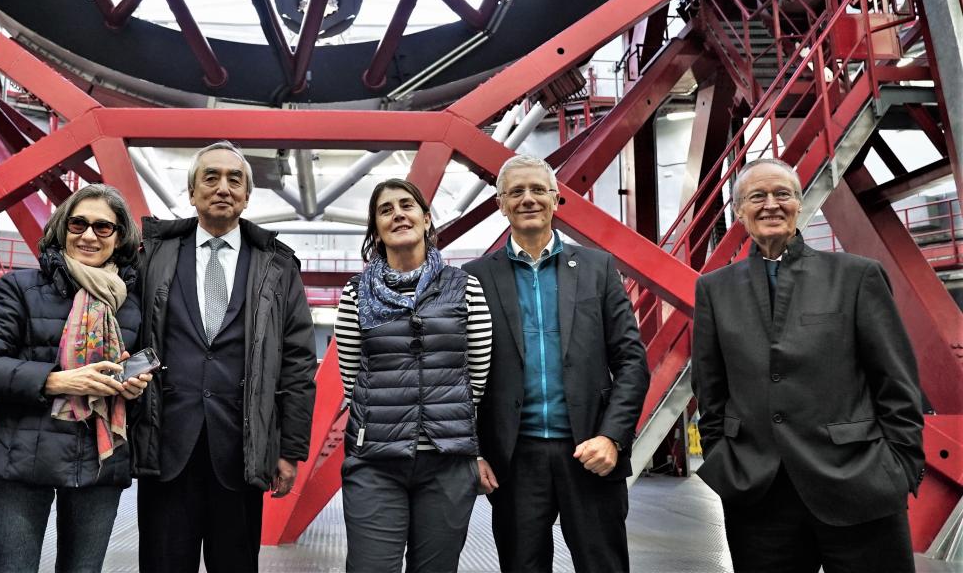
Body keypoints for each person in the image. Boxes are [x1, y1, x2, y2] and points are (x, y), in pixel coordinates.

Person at [692, 157, 924, 573]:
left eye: (783, 194)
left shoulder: (856, 277)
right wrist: (722, 457)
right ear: (740, 211)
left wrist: (901, 465)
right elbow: (710, 390)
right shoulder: (714, 290)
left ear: (800, 204)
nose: (771, 204)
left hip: (859, 483)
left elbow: (895, 380)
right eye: (757, 196)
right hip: (759, 494)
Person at [131, 140, 317, 573]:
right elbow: (129, 334)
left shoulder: (278, 266)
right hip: (166, 448)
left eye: (235, 179)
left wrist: (289, 450)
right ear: (191, 192)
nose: (223, 187)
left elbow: (298, 362)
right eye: (210, 177)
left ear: (248, 195)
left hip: (242, 450)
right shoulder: (152, 256)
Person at [463, 153, 649, 573]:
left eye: (537, 190)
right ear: (501, 203)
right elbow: (459, 373)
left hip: (590, 453)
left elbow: (632, 362)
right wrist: (471, 452)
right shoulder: (474, 277)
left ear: (556, 199)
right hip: (514, 460)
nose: (527, 199)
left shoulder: (599, 269)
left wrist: (612, 438)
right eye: (516, 191)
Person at [0, 184, 154, 572]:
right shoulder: (21, 288)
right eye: (78, 223)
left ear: (119, 239)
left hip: (100, 461)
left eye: (103, 228)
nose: (88, 235)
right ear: (62, 228)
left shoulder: (135, 303)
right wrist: (60, 381)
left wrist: (134, 388)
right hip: (19, 458)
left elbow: (153, 377)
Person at [335, 179, 492, 573]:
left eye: (406, 205)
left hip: (447, 462)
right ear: (376, 230)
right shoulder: (355, 294)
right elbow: (353, 379)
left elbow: (476, 374)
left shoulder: (466, 287)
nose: (397, 214)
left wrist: (443, 422)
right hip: (375, 461)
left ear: (425, 219)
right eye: (385, 210)